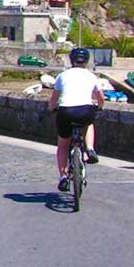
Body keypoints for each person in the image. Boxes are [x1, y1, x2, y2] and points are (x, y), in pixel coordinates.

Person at [47, 47, 105, 192]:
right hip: (85, 110)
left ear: (71, 60)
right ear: (86, 61)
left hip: (66, 111)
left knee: (63, 146)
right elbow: (101, 98)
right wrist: (99, 107)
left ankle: (63, 177)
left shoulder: (62, 75)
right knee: (88, 123)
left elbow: (54, 99)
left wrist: (51, 109)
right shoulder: (91, 76)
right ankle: (90, 149)